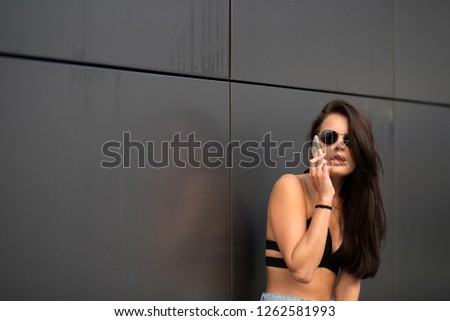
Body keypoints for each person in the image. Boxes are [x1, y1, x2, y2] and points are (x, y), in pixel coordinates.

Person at [262, 99, 387, 301]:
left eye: (350, 140)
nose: (340, 146)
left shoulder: (355, 207)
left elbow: (347, 291)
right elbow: (302, 270)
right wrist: (325, 198)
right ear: (315, 145)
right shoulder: (290, 187)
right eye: (330, 137)